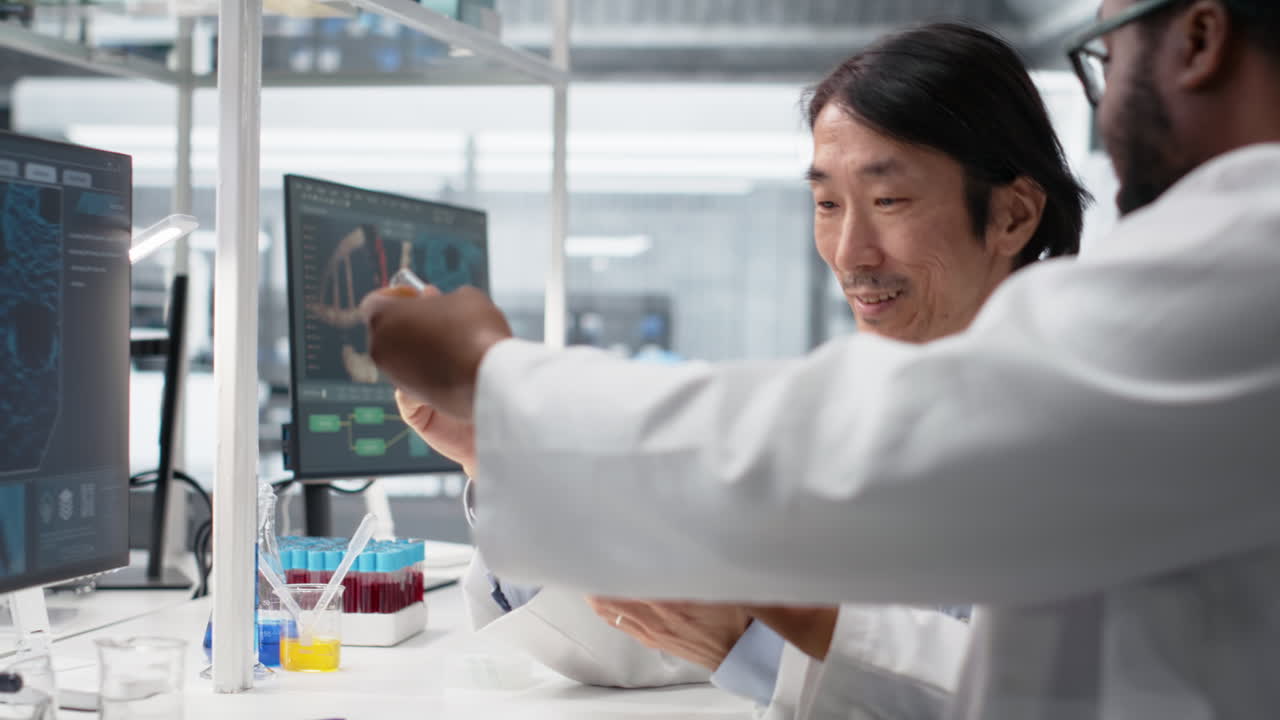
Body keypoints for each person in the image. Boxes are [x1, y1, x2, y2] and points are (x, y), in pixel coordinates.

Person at [363, 0, 1280, 717]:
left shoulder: (1244, 261)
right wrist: (498, 452)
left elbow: (831, 478)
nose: (849, 255)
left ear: (1011, 214)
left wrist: (501, 382)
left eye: (886, 199)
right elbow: (657, 622)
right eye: (828, 204)